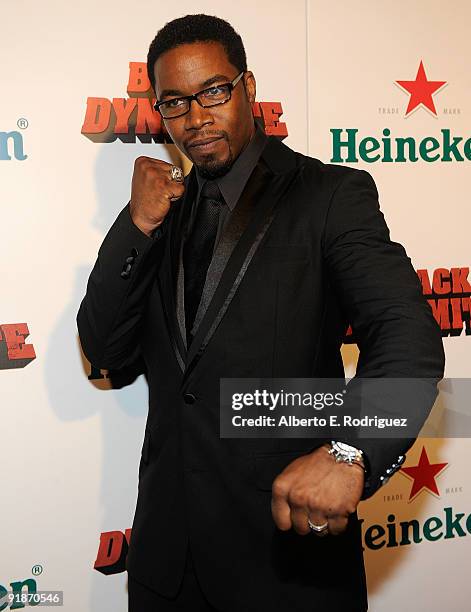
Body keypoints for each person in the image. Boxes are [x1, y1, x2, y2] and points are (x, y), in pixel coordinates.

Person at [77, 13, 445, 612]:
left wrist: (351, 451)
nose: (196, 119)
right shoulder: (160, 211)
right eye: (174, 103)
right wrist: (137, 225)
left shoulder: (328, 196)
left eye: (213, 92)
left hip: (287, 566)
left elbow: (409, 338)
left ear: (248, 89)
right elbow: (105, 349)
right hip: (166, 569)